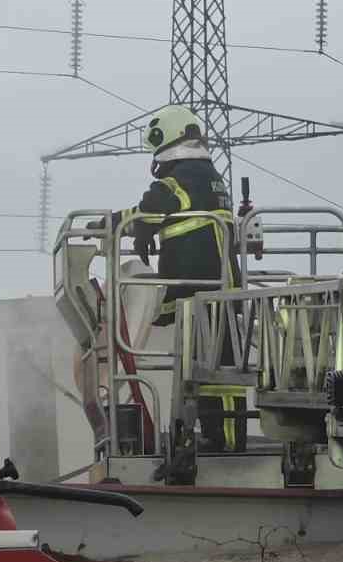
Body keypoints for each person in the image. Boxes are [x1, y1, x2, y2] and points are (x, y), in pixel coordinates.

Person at [104, 104, 246, 451]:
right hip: (208, 288)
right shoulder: (203, 174)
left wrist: (110, 224)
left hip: (204, 288)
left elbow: (150, 209)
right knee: (205, 369)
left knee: (218, 375)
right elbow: (160, 213)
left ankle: (227, 443)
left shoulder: (185, 177)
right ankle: (212, 436)